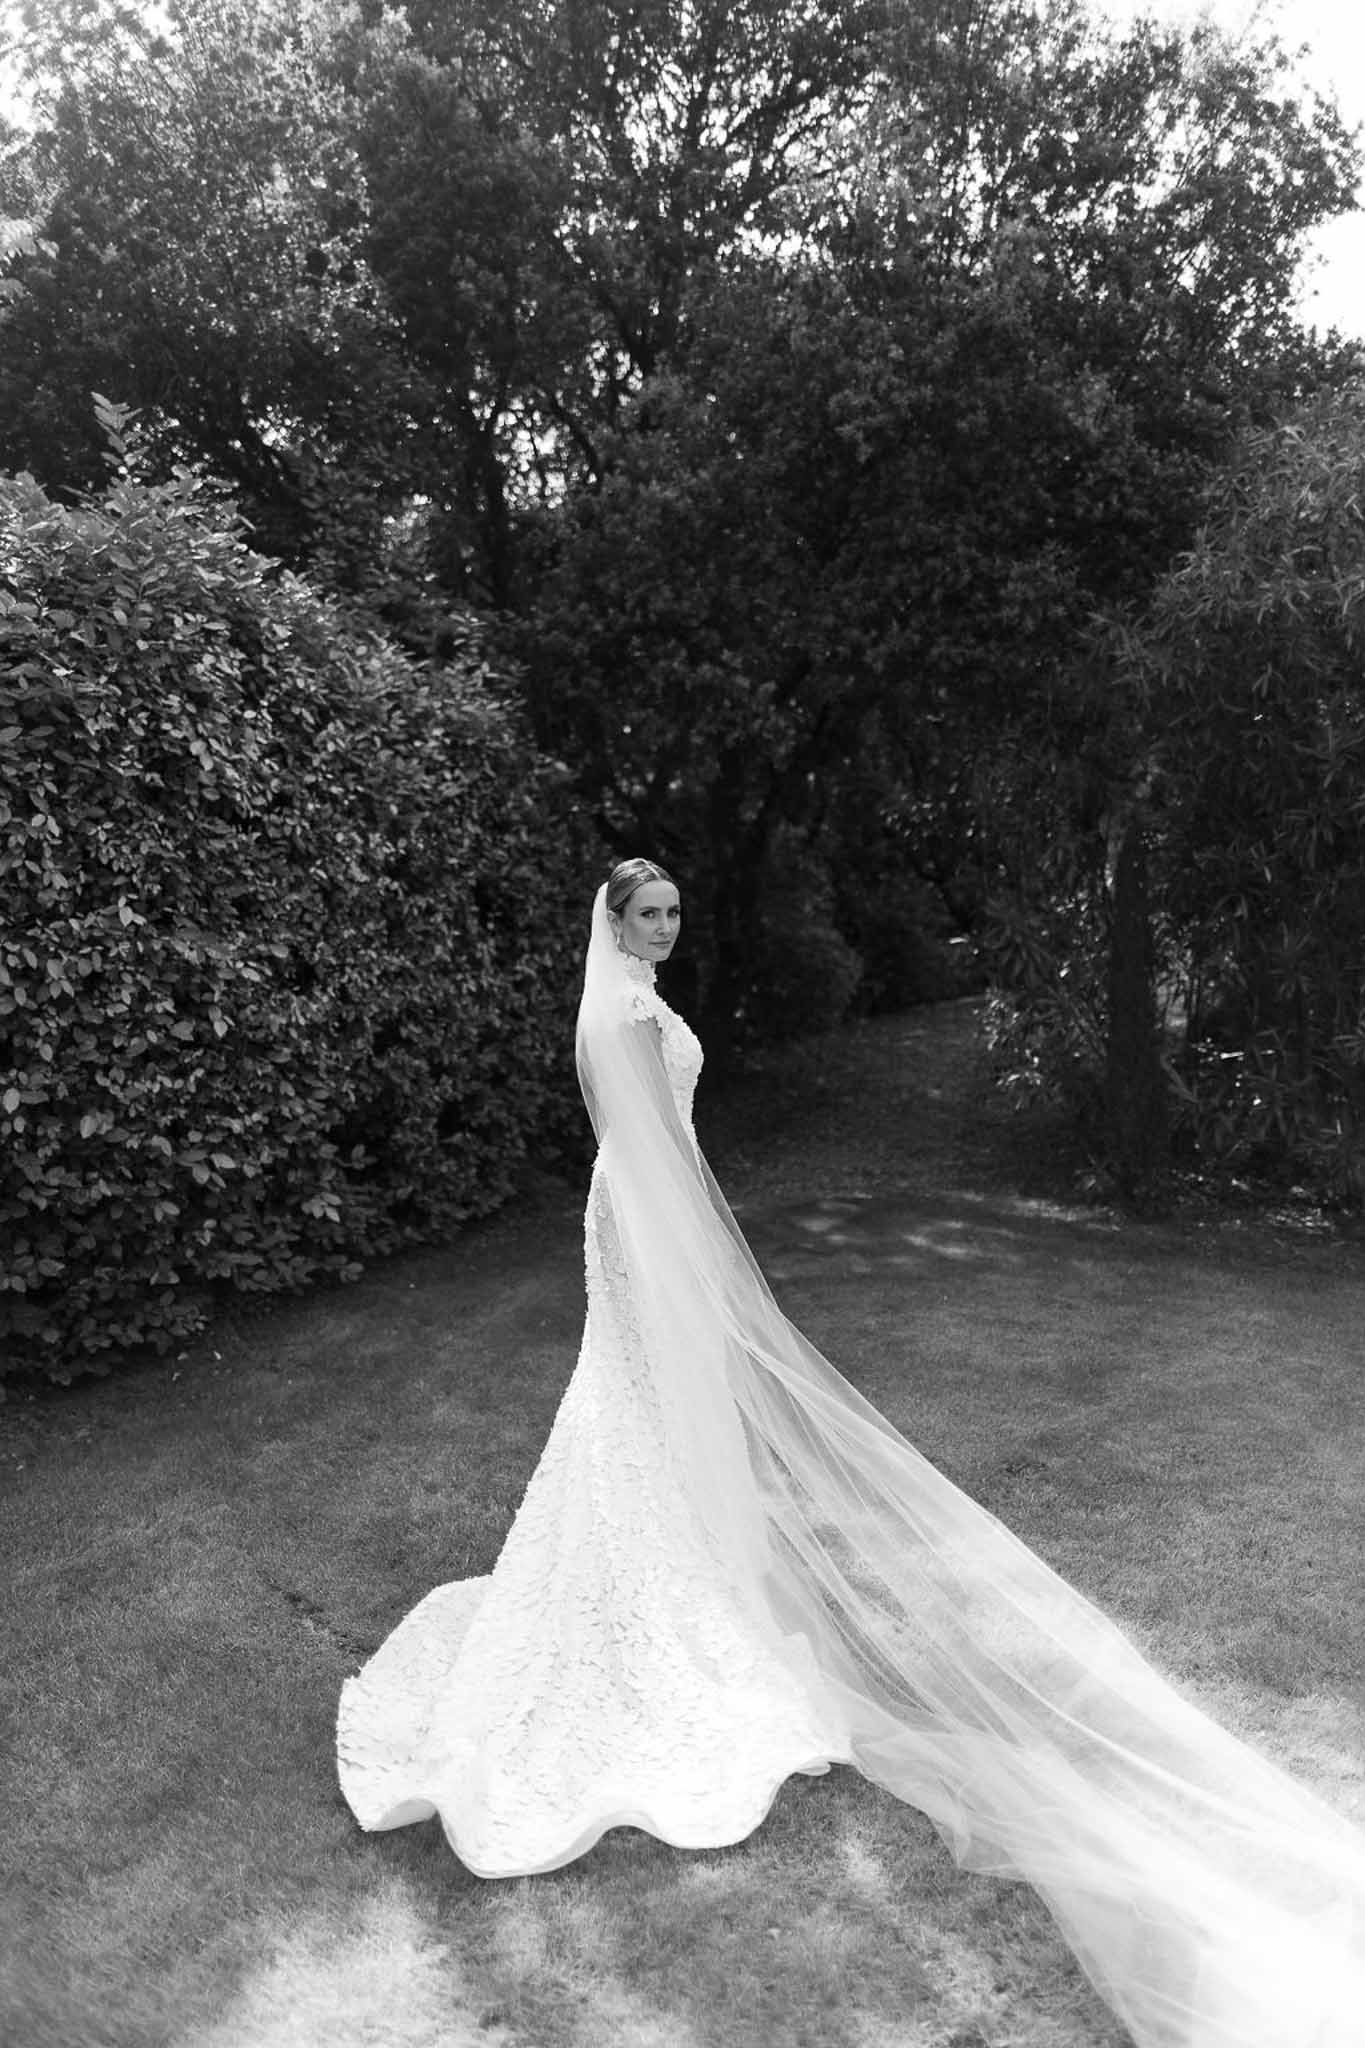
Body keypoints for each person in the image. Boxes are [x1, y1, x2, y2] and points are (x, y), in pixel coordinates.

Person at [338, 858, 1365, 2048]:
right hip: (646, 1217)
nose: (667, 926)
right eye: (649, 913)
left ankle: (647, 1567)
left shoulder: (615, 1002)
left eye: (675, 909)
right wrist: (707, 1265)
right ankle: (637, 1589)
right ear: (613, 922)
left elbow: (637, 1137)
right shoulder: (627, 1013)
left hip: (627, 1205)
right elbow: (654, 1143)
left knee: (633, 1404)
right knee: (639, 1398)